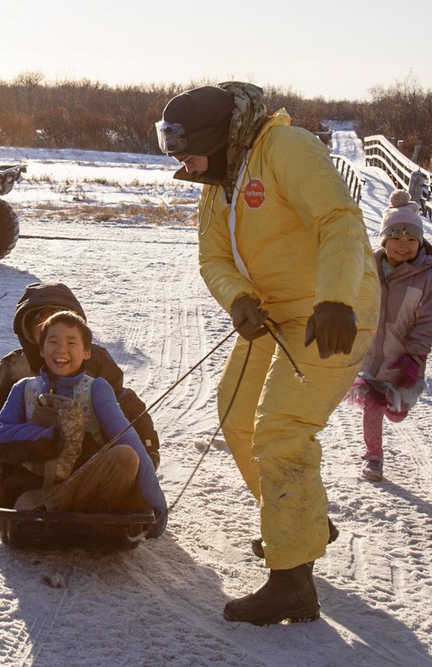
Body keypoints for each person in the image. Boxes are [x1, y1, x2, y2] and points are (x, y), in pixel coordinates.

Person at [156, 82, 381, 624]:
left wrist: (333, 298)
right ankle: (299, 525)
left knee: (280, 428)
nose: (180, 161)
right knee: (235, 414)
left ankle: (293, 585)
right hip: (274, 313)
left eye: (184, 147)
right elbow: (213, 258)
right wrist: (239, 300)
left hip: (335, 311)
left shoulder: (286, 148)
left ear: (215, 135)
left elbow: (340, 222)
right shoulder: (218, 181)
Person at [0, 281, 160, 502]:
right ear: (27, 327)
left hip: (90, 469)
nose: (50, 322)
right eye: (39, 316)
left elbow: (127, 408)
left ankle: (99, 511)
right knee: (23, 495)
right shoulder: (14, 369)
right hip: (34, 474)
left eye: (59, 314)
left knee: (124, 459)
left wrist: (148, 448)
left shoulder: (96, 363)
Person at [0, 310, 168, 538]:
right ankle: (66, 510)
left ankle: (56, 507)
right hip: (37, 484)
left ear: (86, 352)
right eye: (52, 341)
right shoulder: (24, 388)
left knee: (125, 456)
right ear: (41, 350)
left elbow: (126, 436)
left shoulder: (96, 389)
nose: (61, 349)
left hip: (88, 486)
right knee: (26, 499)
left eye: (71, 342)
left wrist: (156, 500)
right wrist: (38, 434)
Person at [345, 190, 432, 482]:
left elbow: (431, 320)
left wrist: (415, 355)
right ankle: (373, 456)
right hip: (372, 356)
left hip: (405, 358)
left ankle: (395, 408)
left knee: (398, 412)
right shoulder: (368, 270)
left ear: (420, 243)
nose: (403, 246)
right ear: (384, 240)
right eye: (396, 239)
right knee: (372, 404)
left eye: (411, 240)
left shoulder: (427, 280)